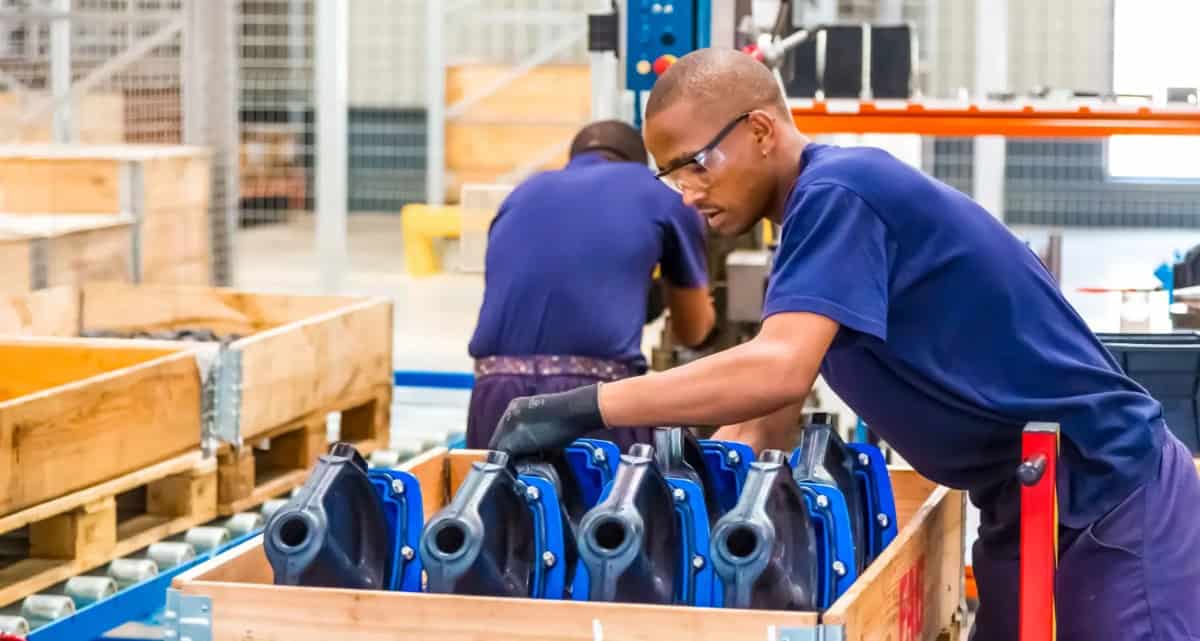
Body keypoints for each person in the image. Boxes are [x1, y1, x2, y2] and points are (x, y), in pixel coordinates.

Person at [488, 49, 1200, 640]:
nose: (683, 192)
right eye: (669, 173)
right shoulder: (808, 225)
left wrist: (583, 408)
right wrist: (681, 506)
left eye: (694, 163)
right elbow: (762, 421)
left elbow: (778, 369)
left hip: (1110, 498)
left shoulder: (841, 191)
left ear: (762, 130)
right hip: (1022, 504)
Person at [465, 119, 715, 451]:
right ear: (638, 161)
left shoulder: (523, 192)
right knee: (611, 503)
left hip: (494, 397)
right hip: (593, 400)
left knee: (495, 502)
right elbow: (694, 331)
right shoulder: (659, 191)